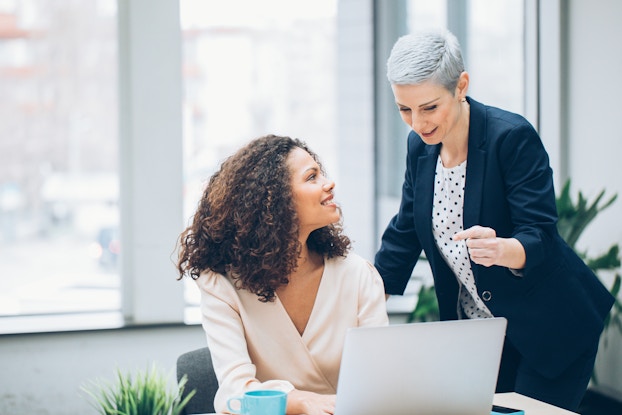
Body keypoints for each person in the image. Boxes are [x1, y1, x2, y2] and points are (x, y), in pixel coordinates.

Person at [374, 29, 614, 412]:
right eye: (405, 109)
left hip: (550, 326)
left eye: (429, 107)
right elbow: (405, 232)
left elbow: (541, 234)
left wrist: (504, 249)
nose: (417, 123)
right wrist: (362, 300)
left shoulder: (510, 137)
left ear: (461, 86)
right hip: (485, 333)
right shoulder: (420, 147)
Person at [177, 134, 389, 415]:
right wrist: (298, 402)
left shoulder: (359, 275)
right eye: (312, 177)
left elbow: (380, 384)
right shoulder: (221, 283)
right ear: (274, 200)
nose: (329, 184)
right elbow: (233, 394)